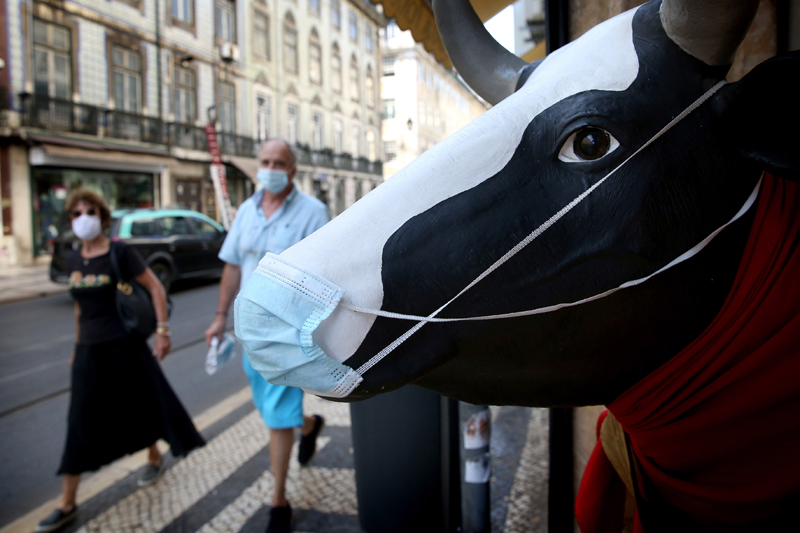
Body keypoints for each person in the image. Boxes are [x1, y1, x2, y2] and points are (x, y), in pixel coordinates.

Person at [37, 189, 205, 533]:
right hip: (88, 349)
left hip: (123, 346)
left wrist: (162, 330)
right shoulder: (74, 259)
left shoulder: (119, 252)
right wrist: (75, 346)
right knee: (79, 421)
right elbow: (79, 307)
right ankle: (67, 502)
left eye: (90, 211)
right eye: (76, 213)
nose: (83, 218)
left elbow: (156, 288)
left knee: (141, 405)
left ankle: (154, 456)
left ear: (102, 216)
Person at [205, 138, 329, 533]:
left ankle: (278, 500)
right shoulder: (246, 210)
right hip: (248, 331)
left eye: (279, 162)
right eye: (265, 161)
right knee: (270, 406)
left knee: (276, 416)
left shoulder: (314, 212)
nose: (270, 168)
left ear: (292, 169)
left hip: (287, 331)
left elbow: (324, 272)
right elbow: (231, 266)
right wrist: (220, 316)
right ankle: (309, 426)